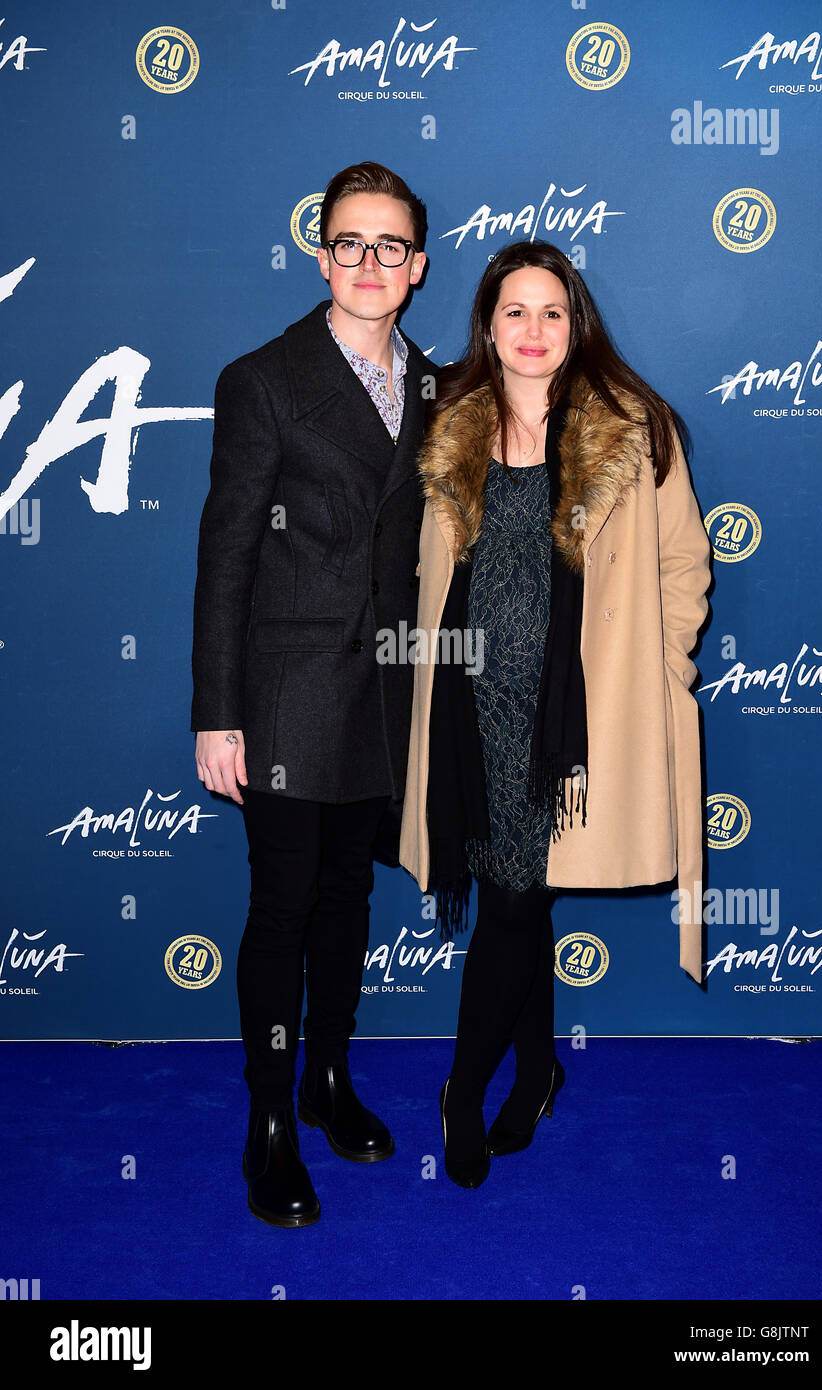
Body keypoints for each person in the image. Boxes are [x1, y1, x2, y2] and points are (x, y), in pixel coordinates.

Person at [399, 240, 712, 1187]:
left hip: (575, 724)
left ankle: (461, 1089)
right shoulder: (451, 430)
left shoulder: (633, 427)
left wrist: (656, 671)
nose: (532, 331)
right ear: (486, 329)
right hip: (471, 712)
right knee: (514, 900)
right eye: (513, 313)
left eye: (551, 312)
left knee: (512, 900)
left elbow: (682, 566)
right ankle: (535, 1068)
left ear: (576, 325)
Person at [191, 162, 433, 1226]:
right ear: (319, 250)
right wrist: (216, 711)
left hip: (391, 700)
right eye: (350, 242)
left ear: (417, 266)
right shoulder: (264, 379)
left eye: (390, 246)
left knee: (351, 899)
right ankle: (271, 1120)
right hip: (287, 696)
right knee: (283, 908)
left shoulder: (441, 388)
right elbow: (226, 558)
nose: (369, 263)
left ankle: (330, 1078)